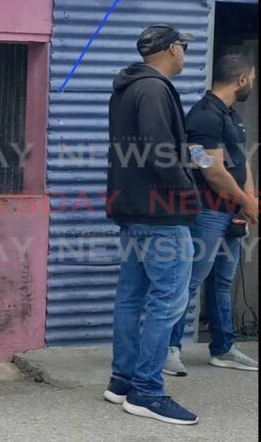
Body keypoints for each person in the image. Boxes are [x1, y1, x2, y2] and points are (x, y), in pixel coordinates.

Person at [104, 24, 201, 425]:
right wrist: (187, 190)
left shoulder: (126, 88)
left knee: (132, 297)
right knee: (168, 301)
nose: (184, 55)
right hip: (161, 214)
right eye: (183, 48)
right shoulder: (155, 88)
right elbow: (158, 151)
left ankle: (122, 381)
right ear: (171, 49)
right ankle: (146, 390)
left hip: (132, 210)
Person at [165, 54, 258, 376]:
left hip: (231, 212)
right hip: (207, 212)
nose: (253, 83)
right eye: (253, 77)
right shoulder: (204, 116)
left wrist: (249, 201)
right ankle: (169, 348)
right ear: (242, 80)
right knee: (189, 282)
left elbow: (240, 161)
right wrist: (245, 202)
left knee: (222, 283)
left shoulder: (232, 116)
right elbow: (212, 170)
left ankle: (223, 349)